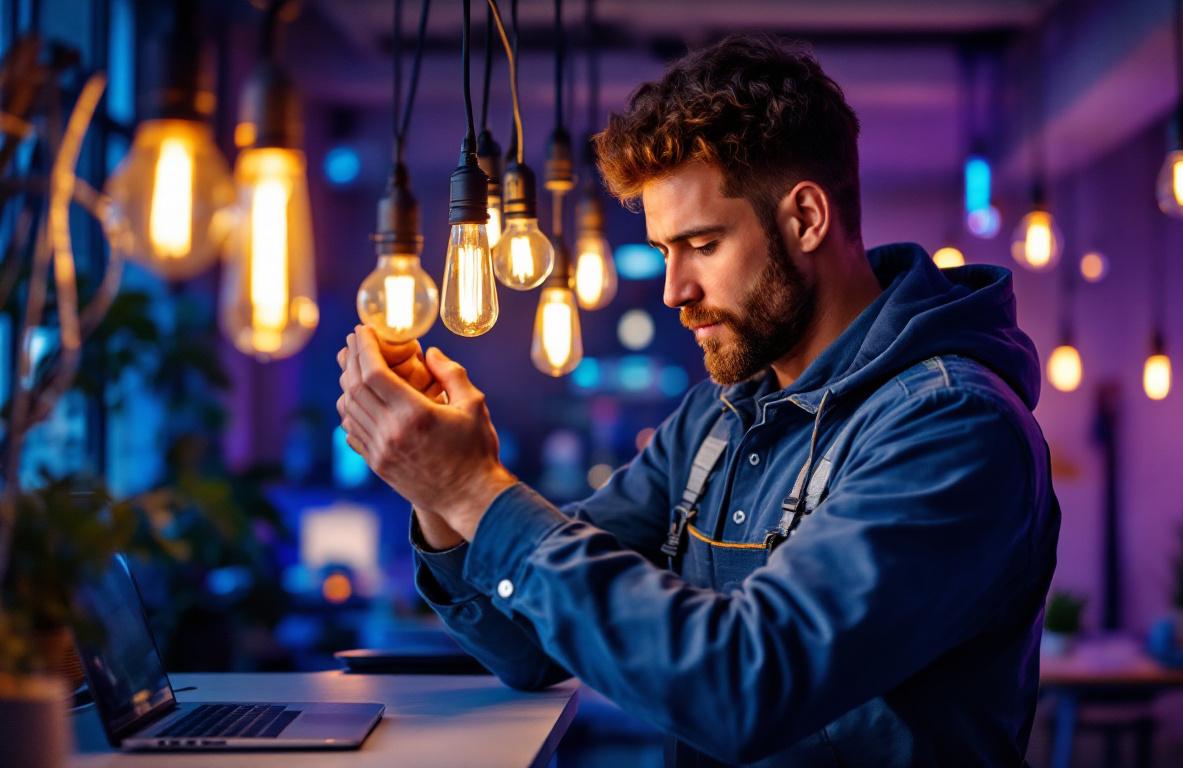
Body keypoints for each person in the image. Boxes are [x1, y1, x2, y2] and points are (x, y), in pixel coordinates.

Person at [337, 33, 1060, 767]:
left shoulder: (954, 427)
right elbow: (528, 644)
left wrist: (472, 486)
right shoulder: (717, 417)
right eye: (662, 251)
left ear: (805, 218)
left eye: (703, 245)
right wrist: (437, 489)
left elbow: (746, 685)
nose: (674, 291)